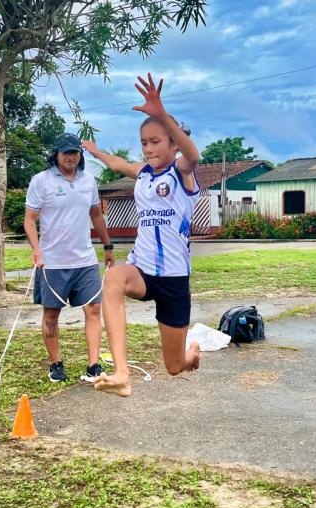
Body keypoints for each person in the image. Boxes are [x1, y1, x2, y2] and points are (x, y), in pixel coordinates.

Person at [82, 73, 201, 397]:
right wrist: (94, 151)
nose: (148, 149)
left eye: (156, 141)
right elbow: (119, 164)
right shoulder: (144, 173)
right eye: (144, 143)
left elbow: (194, 157)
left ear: (173, 143)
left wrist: (162, 115)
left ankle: (192, 355)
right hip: (143, 268)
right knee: (113, 278)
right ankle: (121, 373)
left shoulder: (181, 172)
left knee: (174, 366)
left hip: (175, 278)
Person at [24, 133, 114, 383]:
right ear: (56, 154)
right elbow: (29, 219)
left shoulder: (88, 181)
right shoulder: (41, 181)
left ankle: (94, 365)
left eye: (75, 152)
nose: (71, 156)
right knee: (51, 315)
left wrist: (107, 245)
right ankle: (55, 364)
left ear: (80, 154)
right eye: (66, 152)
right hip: (52, 262)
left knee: (94, 309)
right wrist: (36, 248)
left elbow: (96, 216)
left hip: (84, 260)